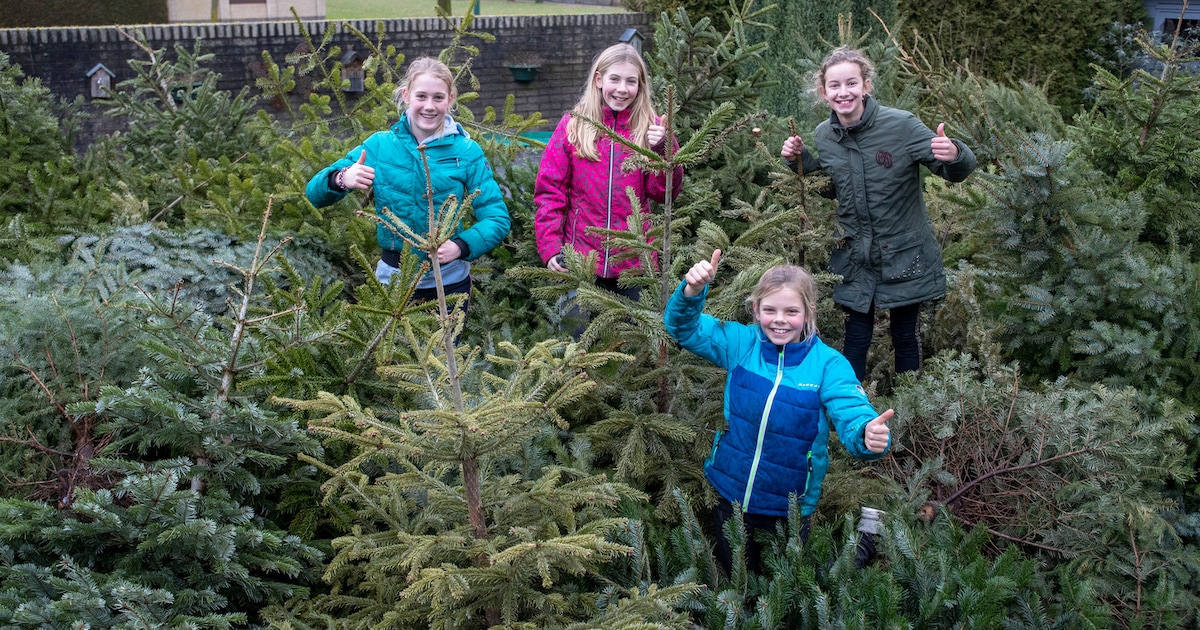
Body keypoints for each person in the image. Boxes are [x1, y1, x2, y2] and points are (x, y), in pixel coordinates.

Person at [664, 249, 893, 575]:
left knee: (789, 589)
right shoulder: (742, 344)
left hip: (789, 506)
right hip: (730, 494)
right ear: (756, 310)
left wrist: (868, 433)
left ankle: (864, 544)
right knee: (738, 582)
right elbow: (683, 328)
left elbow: (852, 411)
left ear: (808, 312)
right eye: (769, 310)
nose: (780, 319)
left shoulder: (827, 365)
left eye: (791, 311)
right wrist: (691, 290)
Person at [781, 47, 977, 382]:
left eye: (852, 83)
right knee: (855, 339)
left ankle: (910, 410)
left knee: (905, 336)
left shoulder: (901, 126)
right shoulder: (824, 135)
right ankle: (850, 412)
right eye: (835, 86)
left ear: (866, 85)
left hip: (904, 253)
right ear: (823, 92)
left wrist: (955, 153)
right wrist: (799, 161)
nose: (844, 92)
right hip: (856, 256)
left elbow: (952, 171)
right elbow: (830, 187)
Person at [306, 57, 510, 309]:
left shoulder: (467, 151)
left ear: (451, 99)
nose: (429, 106)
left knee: (446, 349)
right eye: (421, 96)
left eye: (438, 98)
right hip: (393, 282)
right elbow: (314, 194)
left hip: (450, 283)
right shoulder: (380, 146)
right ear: (406, 96)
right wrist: (342, 178)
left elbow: (497, 218)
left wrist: (461, 246)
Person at [534, 43, 683, 332]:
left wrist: (665, 150)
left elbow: (664, 193)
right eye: (615, 79)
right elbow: (550, 191)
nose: (622, 89)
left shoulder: (651, 129)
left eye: (631, 81)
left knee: (632, 344)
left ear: (640, 86)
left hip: (634, 261)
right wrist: (551, 247)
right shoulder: (574, 125)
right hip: (581, 259)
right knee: (577, 339)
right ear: (599, 79)